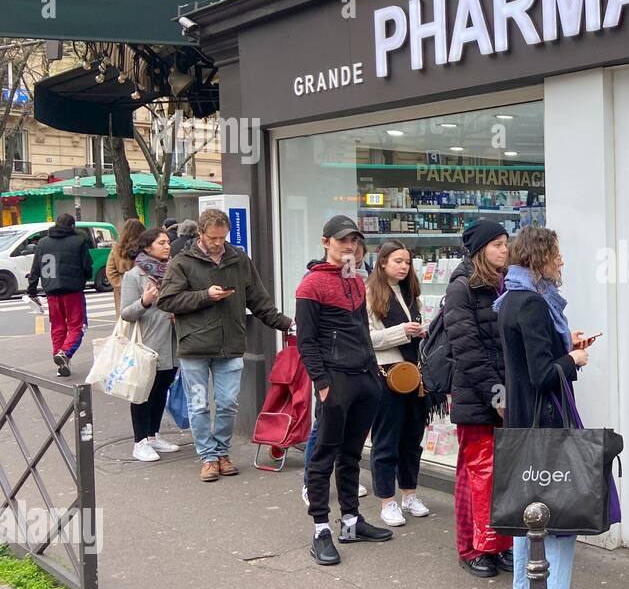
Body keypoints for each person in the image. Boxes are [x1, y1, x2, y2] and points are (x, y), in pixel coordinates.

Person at [494, 226, 600, 589]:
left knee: (528, 515)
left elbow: (524, 362)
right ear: (540, 258)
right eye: (557, 255)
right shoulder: (536, 304)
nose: (562, 263)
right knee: (560, 522)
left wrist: (565, 344)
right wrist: (572, 359)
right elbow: (542, 375)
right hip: (546, 424)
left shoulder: (509, 299)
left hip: (522, 422)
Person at [156, 208, 292, 483]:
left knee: (228, 403)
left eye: (223, 237)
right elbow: (167, 301)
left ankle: (221, 452)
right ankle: (208, 457)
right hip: (194, 345)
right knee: (198, 406)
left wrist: (286, 323)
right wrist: (205, 296)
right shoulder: (183, 262)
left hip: (230, 343)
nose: (219, 243)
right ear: (201, 234)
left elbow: (258, 299)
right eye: (213, 238)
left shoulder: (238, 259)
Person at [296, 215, 391, 566]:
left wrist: (372, 368)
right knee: (324, 456)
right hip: (335, 381)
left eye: (354, 241)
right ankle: (321, 529)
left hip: (364, 376)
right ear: (326, 243)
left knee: (351, 454)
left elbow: (360, 330)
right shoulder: (312, 284)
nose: (349, 246)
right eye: (342, 241)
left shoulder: (355, 279)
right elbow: (306, 342)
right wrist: (322, 384)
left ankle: (350, 520)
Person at [444, 220, 513, 578]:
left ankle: (498, 544)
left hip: (502, 394)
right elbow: (467, 350)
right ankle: (471, 548)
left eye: (506, 242)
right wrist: (497, 396)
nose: (504, 248)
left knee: (500, 476)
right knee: (475, 476)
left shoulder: (503, 284)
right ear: (480, 249)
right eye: (497, 244)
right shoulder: (462, 287)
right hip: (477, 398)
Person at [365, 240, 431, 527]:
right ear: (382, 263)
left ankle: (409, 494)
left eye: (407, 262)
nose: (404, 267)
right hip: (386, 374)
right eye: (397, 261)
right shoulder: (370, 294)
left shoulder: (411, 294)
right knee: (386, 439)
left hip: (414, 373)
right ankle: (387, 501)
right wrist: (401, 332)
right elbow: (366, 338)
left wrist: (422, 331)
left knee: (412, 438)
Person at [119, 227, 181, 462]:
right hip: (147, 344)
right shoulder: (135, 275)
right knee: (142, 392)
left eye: (167, 242)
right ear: (147, 248)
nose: (167, 246)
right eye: (161, 243)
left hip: (172, 342)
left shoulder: (174, 270)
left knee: (161, 390)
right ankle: (140, 441)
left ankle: (153, 436)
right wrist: (144, 302)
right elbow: (126, 313)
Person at [25, 212, 92, 377]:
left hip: (51, 291)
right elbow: (87, 268)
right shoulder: (79, 241)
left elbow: (35, 269)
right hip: (73, 291)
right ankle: (65, 353)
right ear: (72, 226)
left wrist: (32, 290)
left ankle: (60, 357)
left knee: (58, 327)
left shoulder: (42, 243)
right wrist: (84, 278)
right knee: (77, 326)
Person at [106, 218, 145, 317]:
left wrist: (121, 285)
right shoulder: (147, 247)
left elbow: (110, 271)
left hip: (122, 288)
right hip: (143, 286)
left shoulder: (117, 248)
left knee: (125, 320)